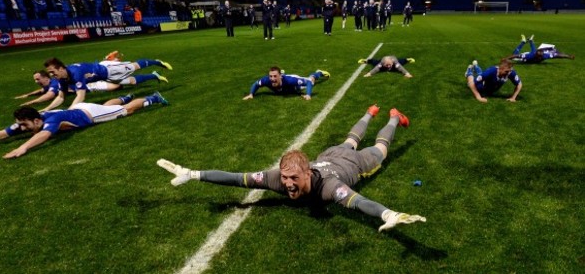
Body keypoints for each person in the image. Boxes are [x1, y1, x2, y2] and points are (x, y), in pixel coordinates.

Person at [157, 105, 426, 232]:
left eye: (293, 178)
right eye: (285, 177)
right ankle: (369, 112)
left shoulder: (331, 188)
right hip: (330, 155)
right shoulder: (277, 178)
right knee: (349, 140)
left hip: (352, 164)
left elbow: (359, 202)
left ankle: (392, 117)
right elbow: (238, 179)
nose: (287, 184)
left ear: (307, 173)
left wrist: (387, 214)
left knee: (379, 149)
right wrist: (192, 173)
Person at [0, 92, 169, 159]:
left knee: (126, 111)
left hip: (90, 115)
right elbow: (1, 133)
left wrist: (23, 147)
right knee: (107, 106)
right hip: (83, 108)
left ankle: (152, 99)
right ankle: (124, 96)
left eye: (25, 125)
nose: (22, 128)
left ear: (36, 120)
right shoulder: (31, 120)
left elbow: (44, 136)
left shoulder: (49, 121)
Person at [43, 57, 171, 111]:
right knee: (132, 81)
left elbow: (81, 96)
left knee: (135, 66)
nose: (51, 75)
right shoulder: (61, 78)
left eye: (52, 72)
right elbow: (60, 97)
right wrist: (47, 109)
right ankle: (154, 75)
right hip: (106, 77)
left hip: (108, 70)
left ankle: (156, 62)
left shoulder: (75, 73)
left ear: (60, 68)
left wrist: (69, 110)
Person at [243, 66, 330, 101]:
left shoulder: (290, 80)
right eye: (271, 76)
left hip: (295, 86)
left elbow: (308, 83)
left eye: (275, 76)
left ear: (280, 76)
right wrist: (251, 94)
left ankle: (318, 73)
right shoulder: (266, 80)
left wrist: (308, 94)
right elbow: (256, 84)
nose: (272, 79)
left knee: (311, 80)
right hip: (287, 88)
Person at [508, 34, 575, 64]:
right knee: (514, 56)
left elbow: (558, 55)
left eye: (541, 56)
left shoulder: (545, 55)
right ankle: (523, 42)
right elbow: (515, 56)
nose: (540, 58)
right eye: (539, 56)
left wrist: (569, 56)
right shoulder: (530, 55)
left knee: (533, 49)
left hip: (533, 54)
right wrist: (506, 59)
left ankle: (530, 40)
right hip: (526, 57)